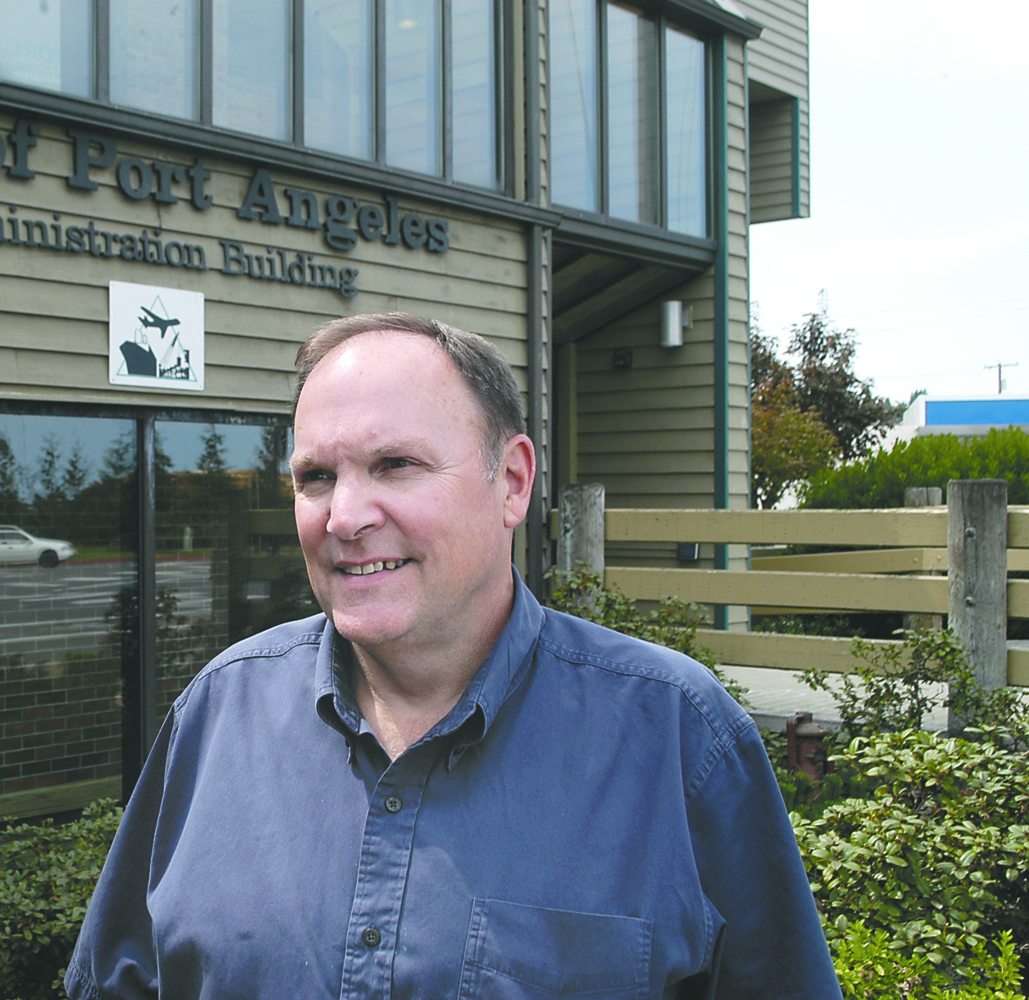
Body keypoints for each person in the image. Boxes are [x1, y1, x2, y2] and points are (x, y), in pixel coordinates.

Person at [66, 313, 840, 999]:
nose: (344, 516)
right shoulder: (217, 714)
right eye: (316, 477)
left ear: (512, 482)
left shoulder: (679, 740)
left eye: (395, 465)